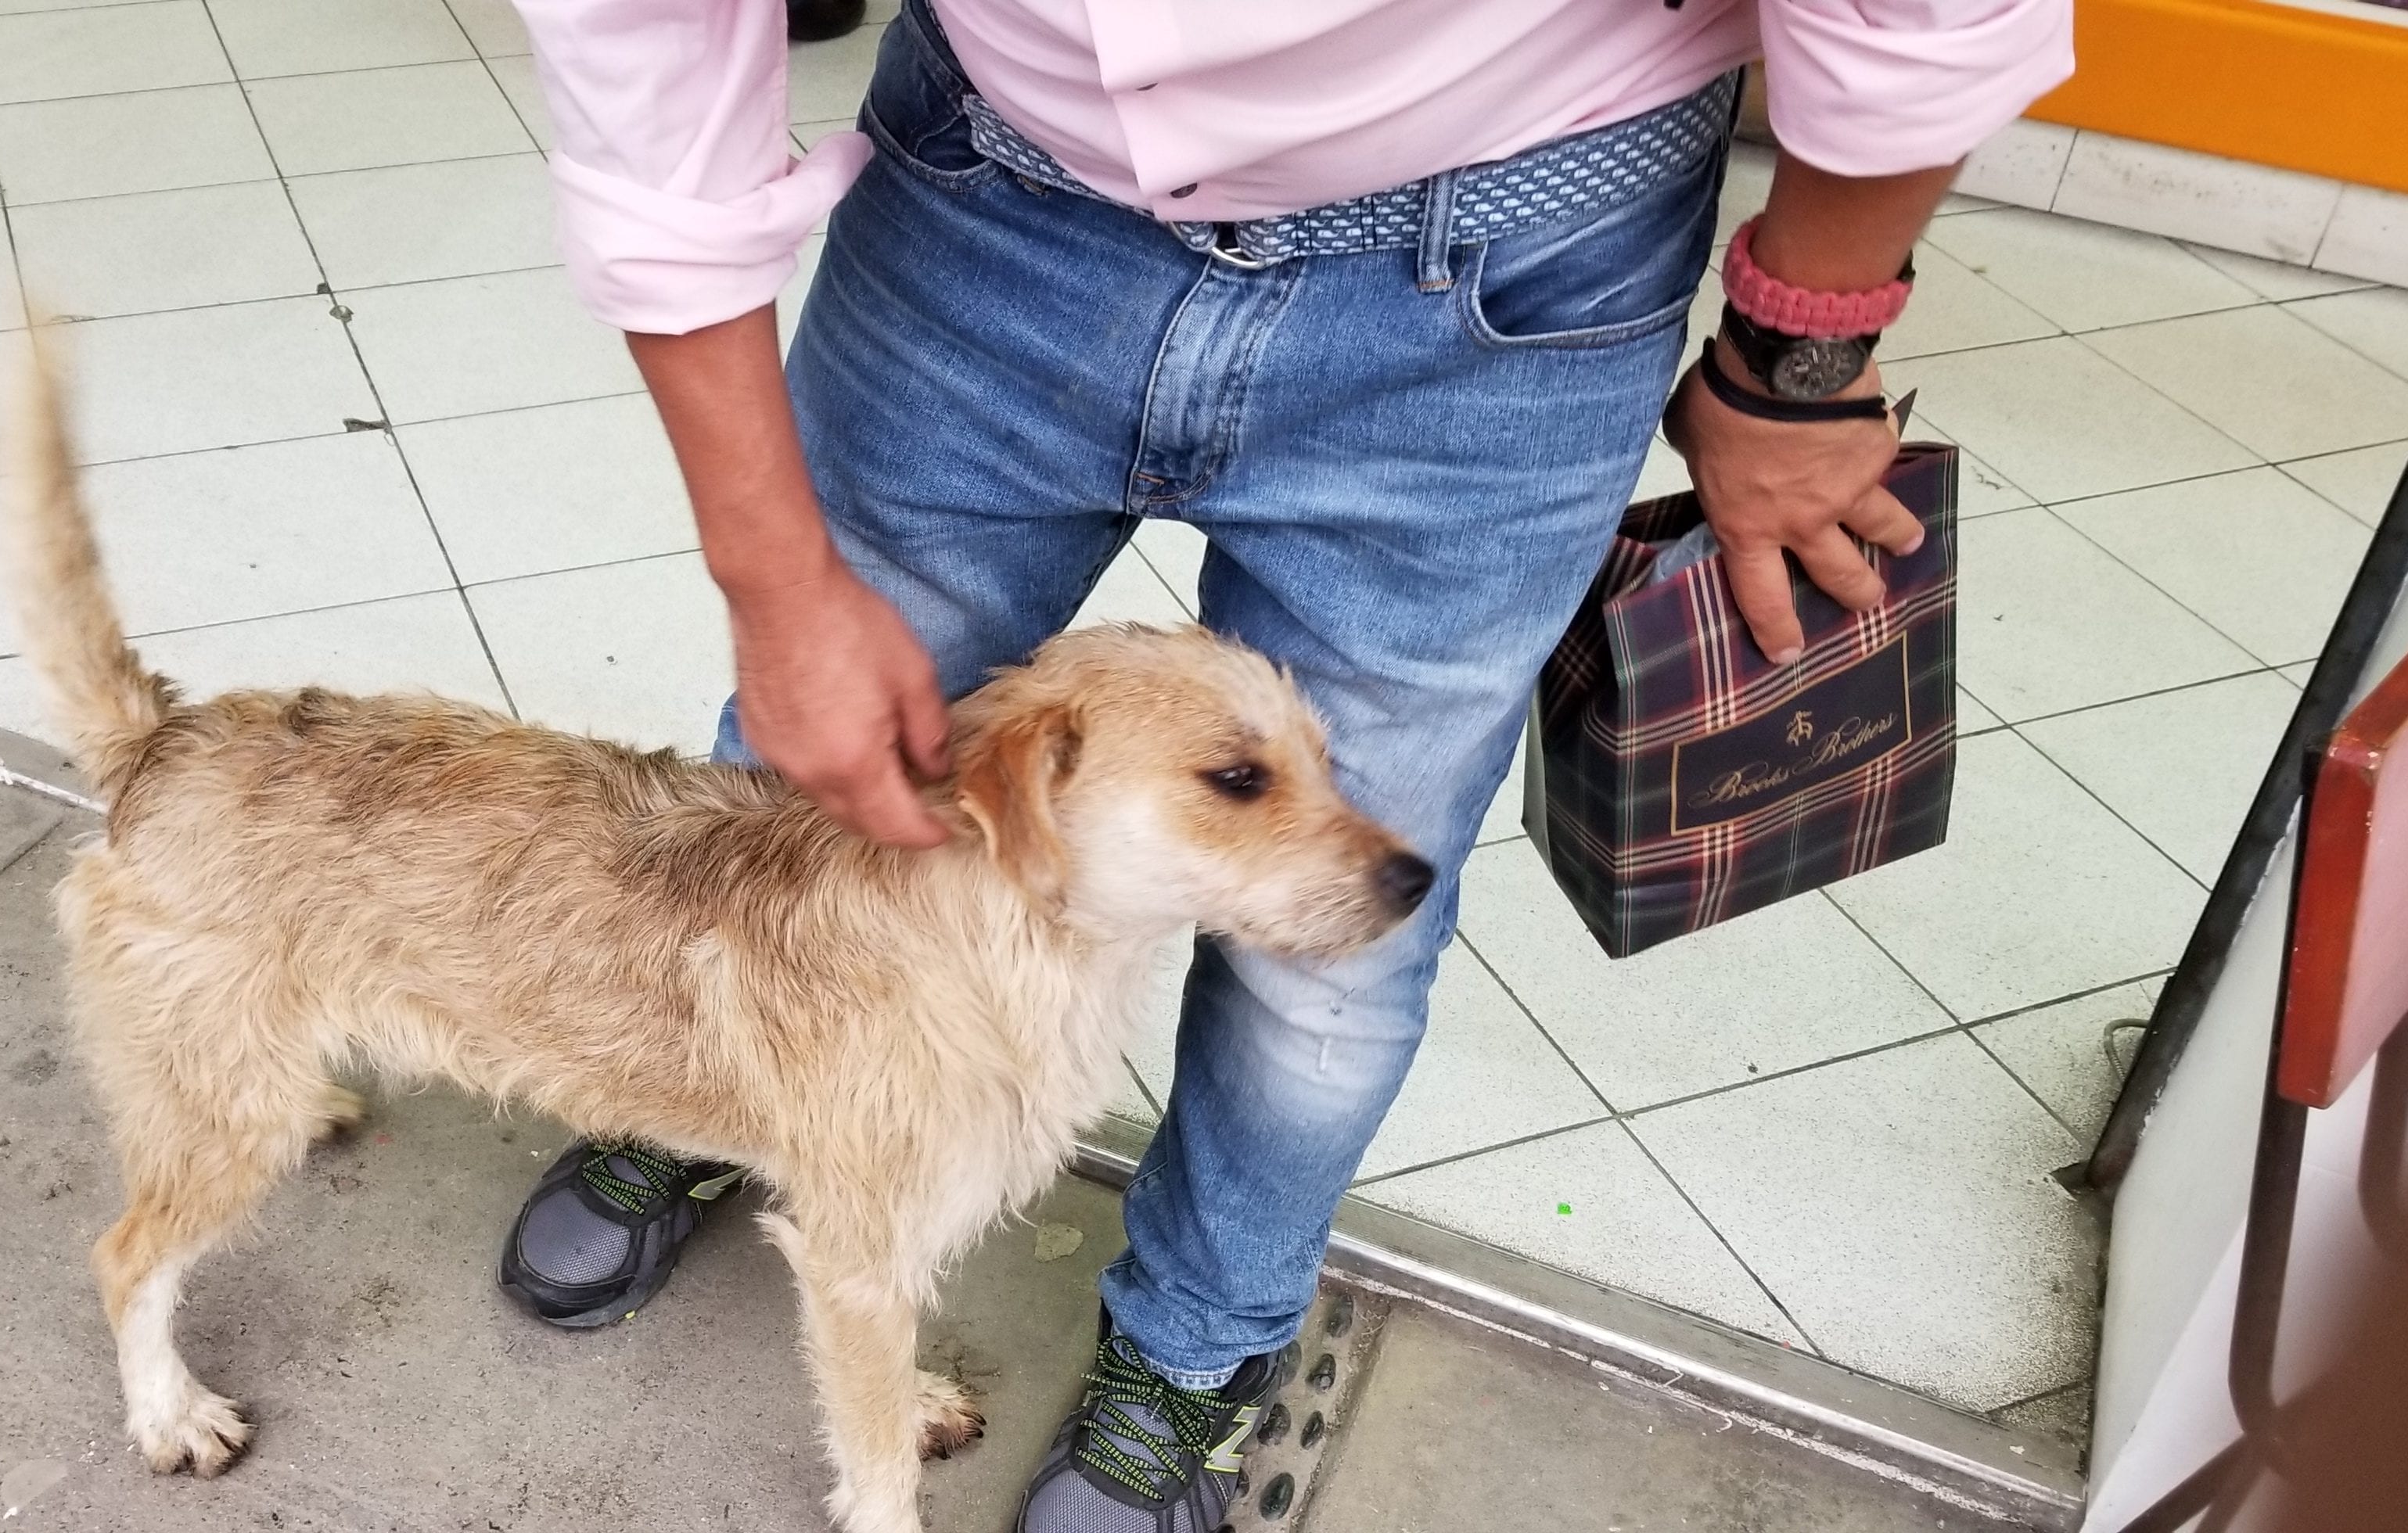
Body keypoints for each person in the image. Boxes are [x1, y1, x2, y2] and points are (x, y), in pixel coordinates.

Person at [490, 0, 2069, 1528]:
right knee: (816, 786)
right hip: (991, 192)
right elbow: (644, 42)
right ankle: (709, 1098)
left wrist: (1802, 343)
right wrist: (776, 579)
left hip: (1517, 256)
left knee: (1336, 954)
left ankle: (1192, 1344)